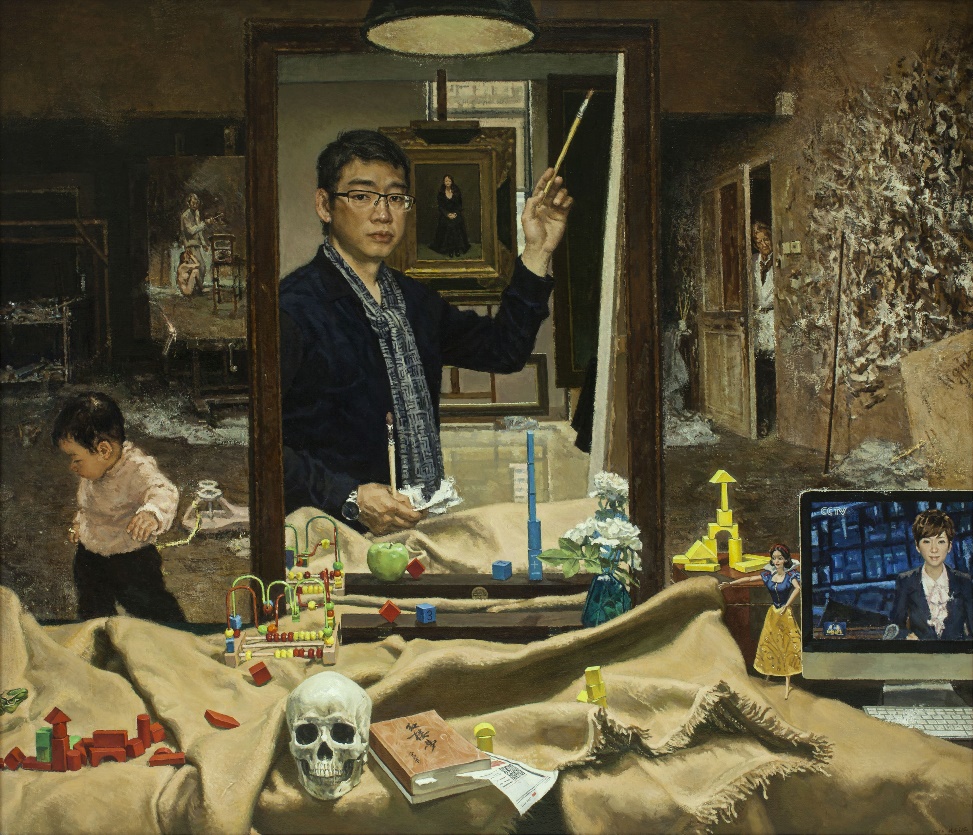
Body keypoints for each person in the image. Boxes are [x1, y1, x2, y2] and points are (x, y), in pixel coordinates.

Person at [279, 129, 572, 535]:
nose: (383, 215)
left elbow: (504, 350)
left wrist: (538, 251)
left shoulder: (414, 302)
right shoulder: (291, 307)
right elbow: (258, 445)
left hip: (414, 524)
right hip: (323, 533)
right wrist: (349, 496)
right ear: (324, 205)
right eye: (362, 196)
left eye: (396, 198)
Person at [51, 392, 186, 623]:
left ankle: (176, 633)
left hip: (130, 558)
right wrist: (79, 523)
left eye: (76, 458)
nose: (72, 466)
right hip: (91, 553)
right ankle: (100, 635)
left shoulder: (136, 467)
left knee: (148, 605)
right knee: (92, 606)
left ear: (103, 450)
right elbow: (88, 505)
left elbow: (163, 490)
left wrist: (151, 513)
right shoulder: (94, 470)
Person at [724, 543, 802, 698]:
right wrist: (730, 583)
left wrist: (787, 605)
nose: (777, 561)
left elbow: (798, 588)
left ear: (786, 560)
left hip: (785, 614)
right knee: (770, 643)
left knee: (786, 645)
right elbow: (750, 578)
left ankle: (787, 681)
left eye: (780, 558)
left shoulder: (790, 576)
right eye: (774, 558)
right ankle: (768, 674)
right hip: (773, 614)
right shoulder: (769, 576)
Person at [888, 509, 973, 640]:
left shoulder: (964, 581)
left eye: (941, 541)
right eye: (927, 541)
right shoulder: (906, 581)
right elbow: (895, 627)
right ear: (917, 546)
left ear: (949, 546)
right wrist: (906, 637)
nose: (934, 549)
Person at [751, 221, 776, 437]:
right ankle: (762, 420)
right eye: (758, 242)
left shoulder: (780, 261)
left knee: (772, 373)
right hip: (757, 322)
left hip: (773, 320)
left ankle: (772, 418)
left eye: (765, 239)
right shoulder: (752, 262)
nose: (763, 245)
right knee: (759, 374)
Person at [429, 173, 470, 257]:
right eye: (446, 181)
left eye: (449, 181)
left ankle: (457, 249)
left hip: (456, 214)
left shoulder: (456, 191)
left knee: (456, 225)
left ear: (452, 182)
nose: (447, 182)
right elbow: (440, 207)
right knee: (448, 226)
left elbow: (460, 205)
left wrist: (455, 213)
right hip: (445, 214)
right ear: (444, 182)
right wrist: (447, 214)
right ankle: (450, 249)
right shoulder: (441, 192)